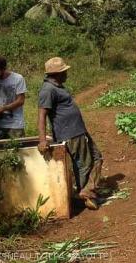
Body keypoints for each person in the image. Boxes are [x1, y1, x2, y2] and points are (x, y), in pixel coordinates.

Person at [37, 57, 103, 210]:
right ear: (57, 73)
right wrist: (42, 139)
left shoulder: (58, 87)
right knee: (84, 164)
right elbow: (41, 114)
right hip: (70, 133)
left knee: (96, 158)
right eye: (64, 71)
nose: (67, 73)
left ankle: (87, 191)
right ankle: (86, 196)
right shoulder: (48, 90)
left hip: (77, 130)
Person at [0, 56, 27, 139]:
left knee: (18, 150)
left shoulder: (17, 79)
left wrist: (0, 109)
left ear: (4, 69)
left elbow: (20, 101)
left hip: (14, 125)